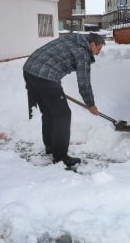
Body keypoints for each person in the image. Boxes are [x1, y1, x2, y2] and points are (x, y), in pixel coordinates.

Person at [23, 32, 105, 167]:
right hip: (44, 76)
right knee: (63, 115)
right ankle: (60, 157)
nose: (98, 53)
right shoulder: (82, 52)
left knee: (49, 112)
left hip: (29, 70)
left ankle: (50, 146)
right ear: (92, 44)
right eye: (98, 49)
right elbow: (83, 82)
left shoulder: (72, 40)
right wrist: (90, 104)